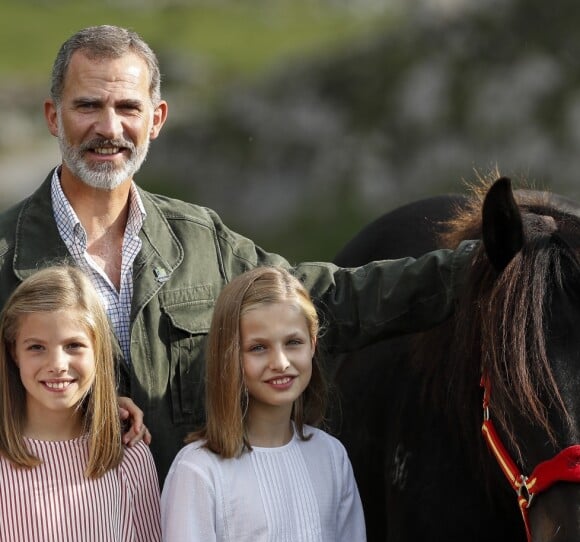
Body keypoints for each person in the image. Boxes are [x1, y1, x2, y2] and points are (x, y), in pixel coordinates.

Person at [0, 24, 477, 483]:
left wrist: (475, 267)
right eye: (88, 105)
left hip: (194, 540)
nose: (109, 127)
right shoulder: (6, 253)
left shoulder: (201, 238)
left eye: (127, 106)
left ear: (156, 119)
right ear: (52, 116)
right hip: (53, 533)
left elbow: (323, 300)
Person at [160, 267, 516, 542]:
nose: (280, 361)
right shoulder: (198, 471)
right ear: (229, 355)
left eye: (293, 342)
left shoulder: (329, 455)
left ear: (313, 345)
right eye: (258, 348)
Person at [0, 265, 163, 542]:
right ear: (14, 353)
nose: (57, 364)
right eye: (36, 347)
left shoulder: (129, 459)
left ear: (98, 350)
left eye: (73, 346)